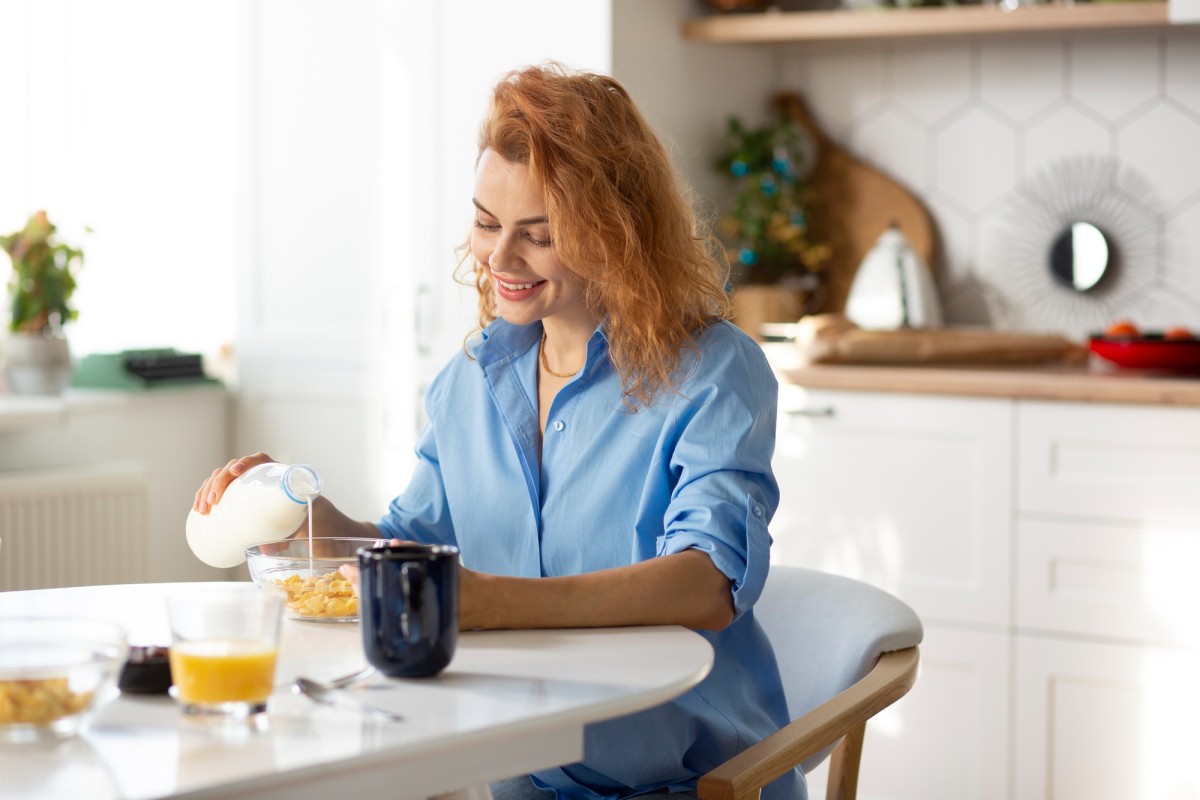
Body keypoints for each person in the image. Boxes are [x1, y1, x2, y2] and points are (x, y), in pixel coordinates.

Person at [193, 62, 800, 800]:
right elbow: (405, 541)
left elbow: (710, 580)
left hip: (687, 785)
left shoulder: (713, 372)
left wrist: (488, 601)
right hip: (519, 779)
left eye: (537, 236)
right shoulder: (472, 380)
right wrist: (302, 518)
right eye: (486, 223)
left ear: (614, 232)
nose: (500, 259)